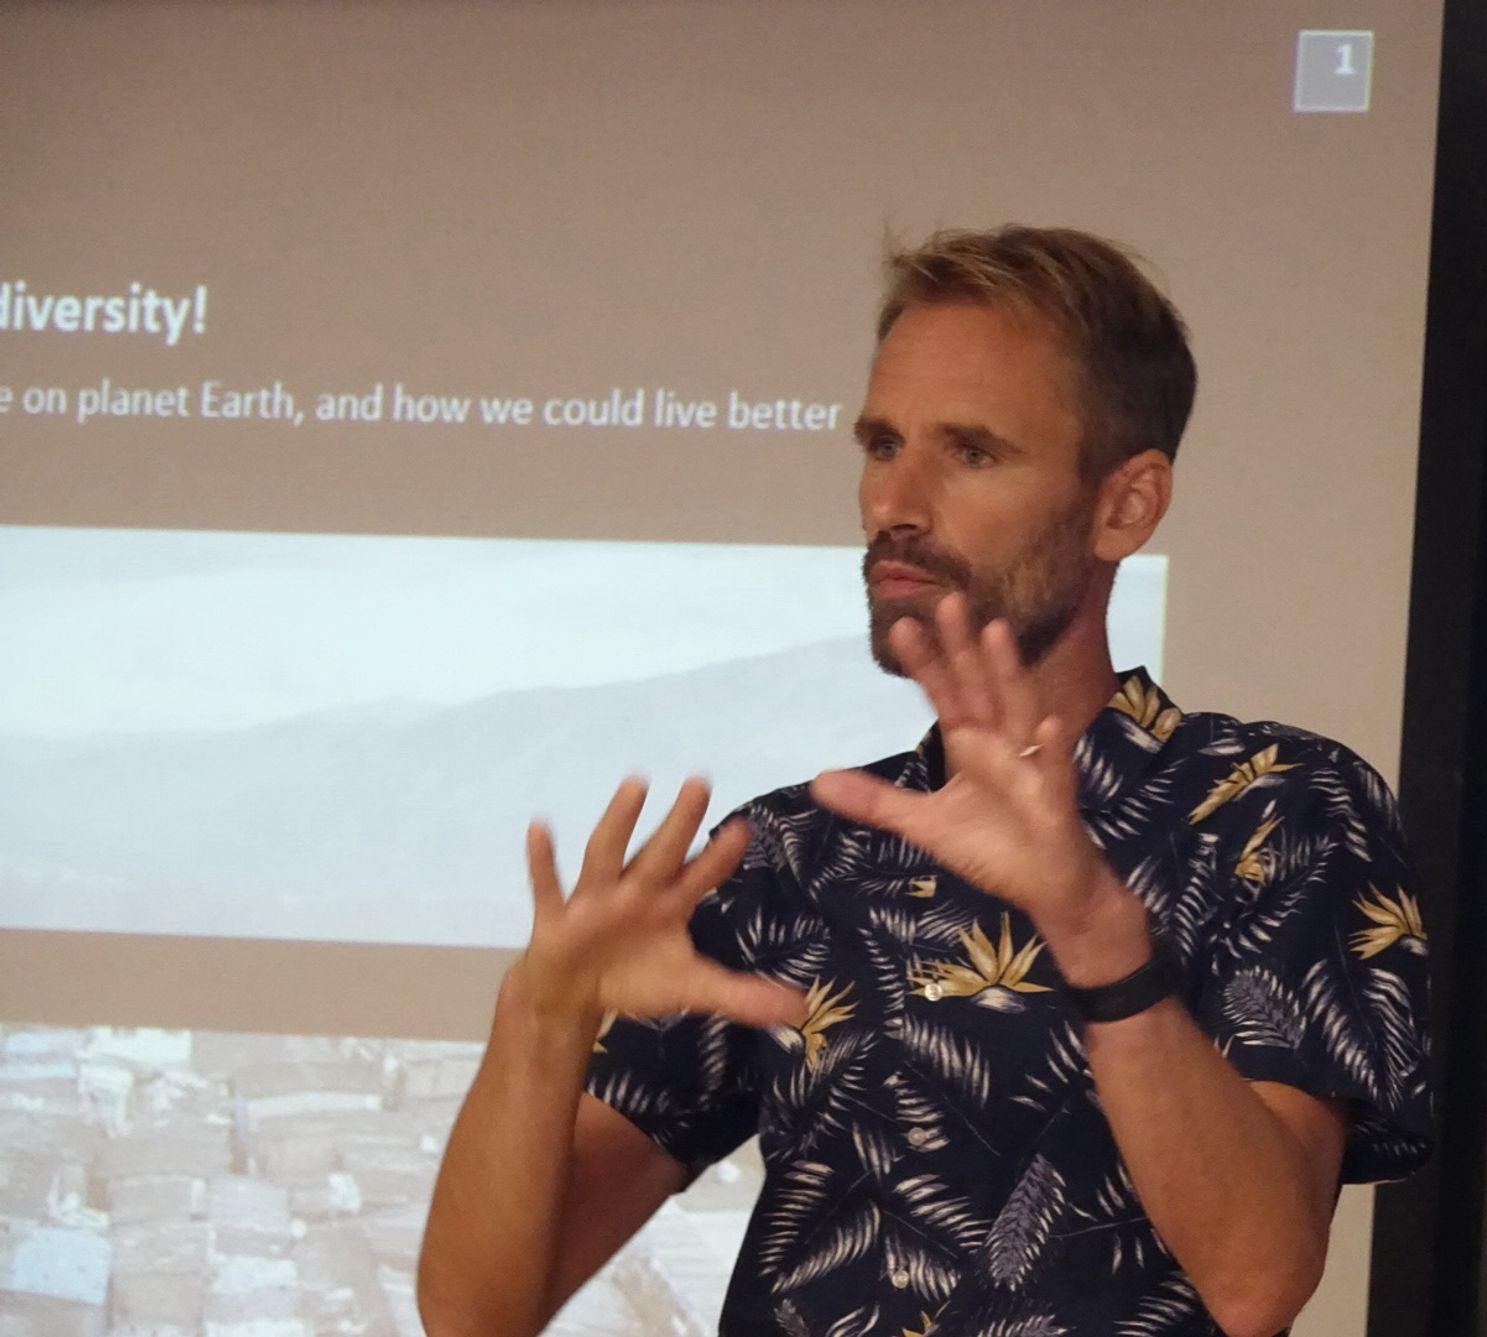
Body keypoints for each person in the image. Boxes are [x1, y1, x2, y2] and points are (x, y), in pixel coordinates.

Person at [416, 225, 1433, 1337]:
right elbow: (476, 1314)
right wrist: (539, 1017)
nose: (895, 499)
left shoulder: (1276, 804)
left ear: (1123, 505)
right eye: (880, 442)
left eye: (969, 452)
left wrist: (1093, 926)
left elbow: (1258, 1279)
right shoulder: (798, 850)